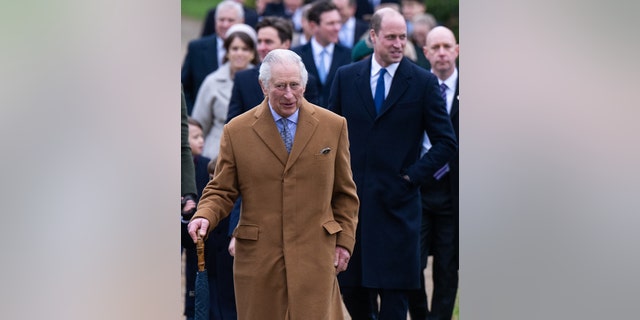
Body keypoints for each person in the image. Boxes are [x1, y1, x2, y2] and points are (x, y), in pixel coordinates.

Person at [188, 49, 360, 320]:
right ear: (263, 86)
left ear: (304, 84)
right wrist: (204, 215)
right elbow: (221, 189)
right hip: (259, 259)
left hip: (315, 253)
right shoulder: (237, 130)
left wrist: (344, 242)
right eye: (280, 86)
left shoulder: (333, 125)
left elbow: (345, 195)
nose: (289, 94)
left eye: (295, 85)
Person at [328, 8, 457, 319]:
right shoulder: (346, 78)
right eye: (391, 37)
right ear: (373, 37)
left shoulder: (422, 82)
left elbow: (446, 143)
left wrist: (412, 178)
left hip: (399, 207)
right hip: (353, 206)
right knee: (352, 289)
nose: (399, 43)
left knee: (396, 297)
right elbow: (328, 136)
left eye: (403, 37)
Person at [408, 25, 460, 320]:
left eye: (446, 46)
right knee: (413, 264)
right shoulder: (416, 87)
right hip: (419, 186)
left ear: (457, 49)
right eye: (435, 47)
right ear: (425, 52)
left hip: (454, 193)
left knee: (447, 265)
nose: (442, 53)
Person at [226, 16, 319, 122]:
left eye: (268, 42)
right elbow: (233, 124)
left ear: (286, 44)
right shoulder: (243, 79)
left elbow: (312, 120)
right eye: (259, 42)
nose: (262, 47)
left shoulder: (305, 80)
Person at [191, 24, 259, 160]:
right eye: (234, 48)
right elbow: (199, 123)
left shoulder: (261, 81)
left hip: (252, 154)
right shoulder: (212, 81)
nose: (239, 53)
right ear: (227, 52)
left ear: (252, 53)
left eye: (245, 49)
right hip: (216, 153)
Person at [181, 0, 244, 114]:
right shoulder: (196, 48)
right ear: (215, 21)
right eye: (221, 19)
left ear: (241, 22)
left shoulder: (251, 50)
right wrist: (192, 118)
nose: (225, 24)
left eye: (230, 20)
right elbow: (184, 87)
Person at [182, 117, 214, 320]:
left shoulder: (205, 166)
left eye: (202, 136)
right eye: (195, 137)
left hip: (201, 237)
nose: (201, 141)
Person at [292, 0, 351, 107]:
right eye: (330, 23)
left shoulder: (349, 55)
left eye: (338, 22)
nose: (337, 28)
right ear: (313, 26)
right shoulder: (295, 55)